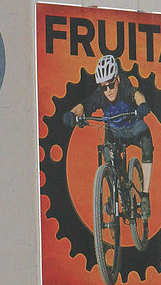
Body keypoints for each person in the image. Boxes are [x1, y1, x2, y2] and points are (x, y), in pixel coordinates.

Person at [63, 54, 153, 219]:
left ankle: (145, 195)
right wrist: (72, 114)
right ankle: (114, 193)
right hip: (114, 131)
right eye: (103, 87)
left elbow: (136, 94)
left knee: (147, 145)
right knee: (108, 155)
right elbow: (85, 105)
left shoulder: (125, 87)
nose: (108, 91)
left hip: (133, 127)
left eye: (111, 85)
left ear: (117, 79)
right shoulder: (101, 95)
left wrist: (142, 105)